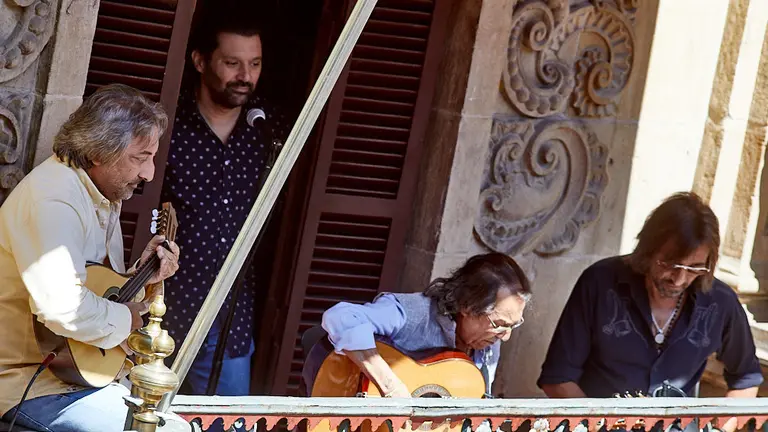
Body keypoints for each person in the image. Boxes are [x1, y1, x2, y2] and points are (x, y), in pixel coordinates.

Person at [0, 84, 181, 431]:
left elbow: (94, 291)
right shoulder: (54, 199)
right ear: (98, 151)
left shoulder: (98, 194)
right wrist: (129, 320)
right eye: (140, 157)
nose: (149, 174)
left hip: (71, 378)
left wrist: (140, 278)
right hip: (25, 383)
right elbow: (64, 309)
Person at [538, 192, 762, 429]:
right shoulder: (600, 282)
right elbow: (557, 378)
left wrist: (718, 429)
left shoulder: (721, 302)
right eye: (669, 264)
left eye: (694, 268)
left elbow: (746, 379)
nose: (679, 279)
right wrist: (599, 423)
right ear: (648, 250)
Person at [160, 4, 289, 396]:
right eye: (232, 63)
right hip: (164, 304)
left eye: (254, 64)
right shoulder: (167, 122)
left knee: (227, 421)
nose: (245, 77)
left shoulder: (269, 130)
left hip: (231, 314)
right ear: (200, 61)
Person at [302, 253, 531, 398]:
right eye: (499, 324)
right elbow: (340, 316)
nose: (506, 336)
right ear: (467, 306)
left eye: (514, 324)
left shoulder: (489, 344)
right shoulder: (412, 312)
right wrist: (391, 387)